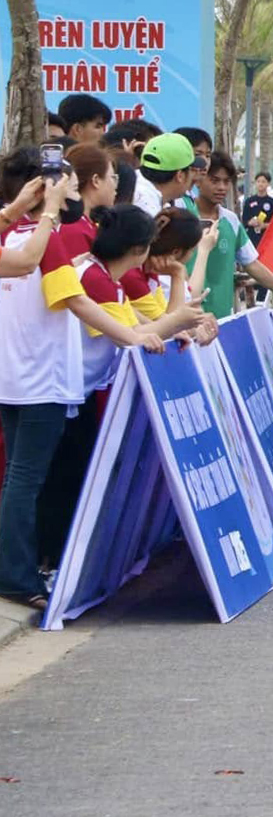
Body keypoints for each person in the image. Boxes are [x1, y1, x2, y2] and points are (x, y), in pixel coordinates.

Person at [0, 149, 161, 611]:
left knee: (21, 478)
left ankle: (22, 567)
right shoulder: (44, 239)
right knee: (27, 481)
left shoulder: (18, 230)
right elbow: (80, 305)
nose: (75, 192)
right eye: (66, 184)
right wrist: (133, 337)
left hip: (18, 377)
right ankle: (17, 573)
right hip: (41, 380)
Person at [185, 151, 273, 316]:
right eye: (214, 180)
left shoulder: (231, 220)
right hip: (186, 319)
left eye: (226, 182)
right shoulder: (183, 216)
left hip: (221, 319)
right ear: (198, 180)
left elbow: (252, 264)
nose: (221, 187)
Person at [132, 131, 197, 216]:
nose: (193, 175)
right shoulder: (147, 210)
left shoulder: (133, 182)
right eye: (191, 170)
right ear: (180, 176)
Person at [242, 172, 273, 244]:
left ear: (268, 184)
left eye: (263, 181)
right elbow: (244, 220)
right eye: (258, 181)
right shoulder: (249, 201)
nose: (260, 184)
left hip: (267, 238)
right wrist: (250, 222)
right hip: (252, 238)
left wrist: (264, 225)